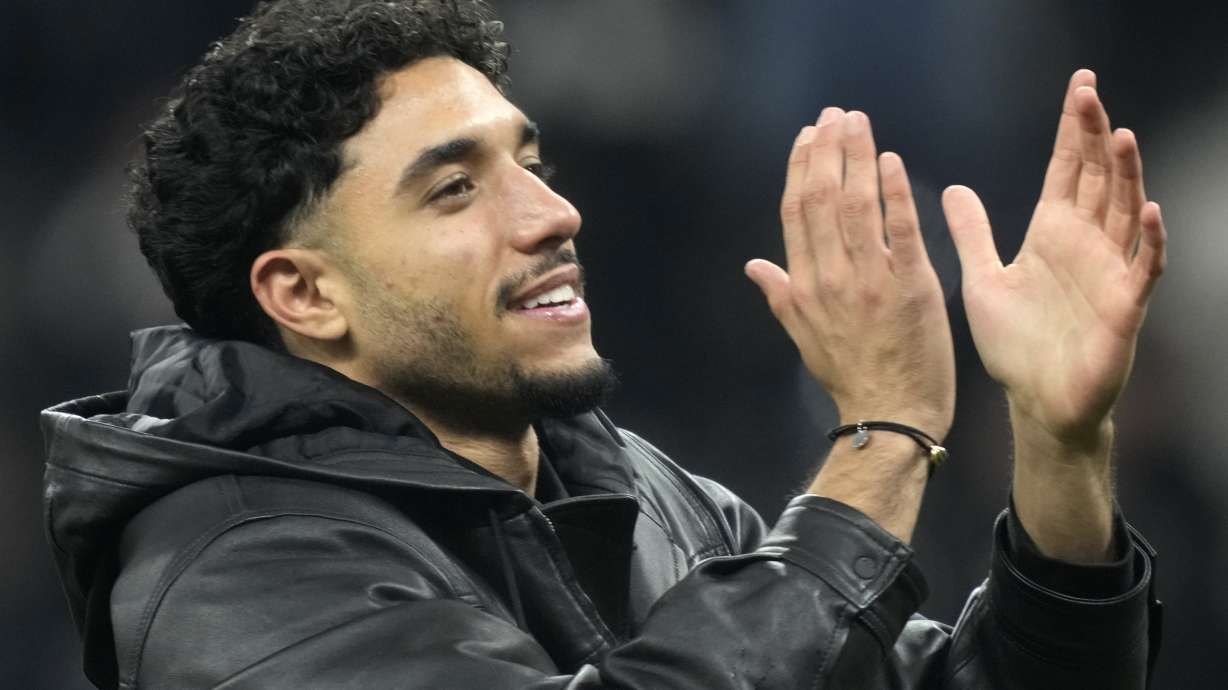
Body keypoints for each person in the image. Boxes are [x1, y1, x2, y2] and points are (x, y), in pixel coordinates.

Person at [41, 1, 1164, 688]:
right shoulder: (236, 577)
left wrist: (1060, 447)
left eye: (529, 162)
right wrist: (881, 437)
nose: (548, 214)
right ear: (304, 293)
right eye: (452, 190)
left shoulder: (622, 482)